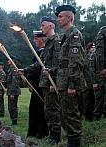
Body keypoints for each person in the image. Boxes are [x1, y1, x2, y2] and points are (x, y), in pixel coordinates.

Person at [55, 5, 86, 147]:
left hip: (70, 83)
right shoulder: (65, 36)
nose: (58, 19)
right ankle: (71, 141)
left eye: (60, 16)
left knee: (71, 115)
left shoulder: (74, 34)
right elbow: (63, 62)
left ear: (69, 18)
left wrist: (72, 85)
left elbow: (75, 61)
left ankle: (74, 143)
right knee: (64, 114)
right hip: (63, 82)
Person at [39, 16, 61, 144]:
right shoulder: (47, 42)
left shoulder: (57, 41)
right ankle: (52, 134)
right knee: (48, 110)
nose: (41, 28)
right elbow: (41, 63)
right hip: (46, 82)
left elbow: (59, 63)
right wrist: (25, 70)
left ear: (51, 26)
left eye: (43, 25)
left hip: (52, 82)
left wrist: (55, 81)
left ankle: (56, 136)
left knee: (53, 110)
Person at [23, 30, 48, 138]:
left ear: (43, 39)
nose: (34, 41)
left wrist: (26, 71)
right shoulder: (38, 52)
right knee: (33, 109)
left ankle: (41, 132)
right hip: (36, 84)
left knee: (40, 109)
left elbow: (38, 67)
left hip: (42, 84)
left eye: (36, 38)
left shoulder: (45, 51)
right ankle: (33, 132)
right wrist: (28, 80)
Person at [93, 26, 106, 119]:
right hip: (103, 69)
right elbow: (100, 52)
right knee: (100, 95)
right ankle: (97, 115)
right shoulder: (103, 31)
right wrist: (102, 68)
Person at [6, 60, 21, 125]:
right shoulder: (10, 69)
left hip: (13, 91)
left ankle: (14, 121)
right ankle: (12, 119)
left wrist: (12, 93)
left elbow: (14, 82)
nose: (7, 61)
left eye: (9, 60)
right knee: (10, 106)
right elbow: (9, 81)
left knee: (13, 106)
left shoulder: (14, 69)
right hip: (10, 91)